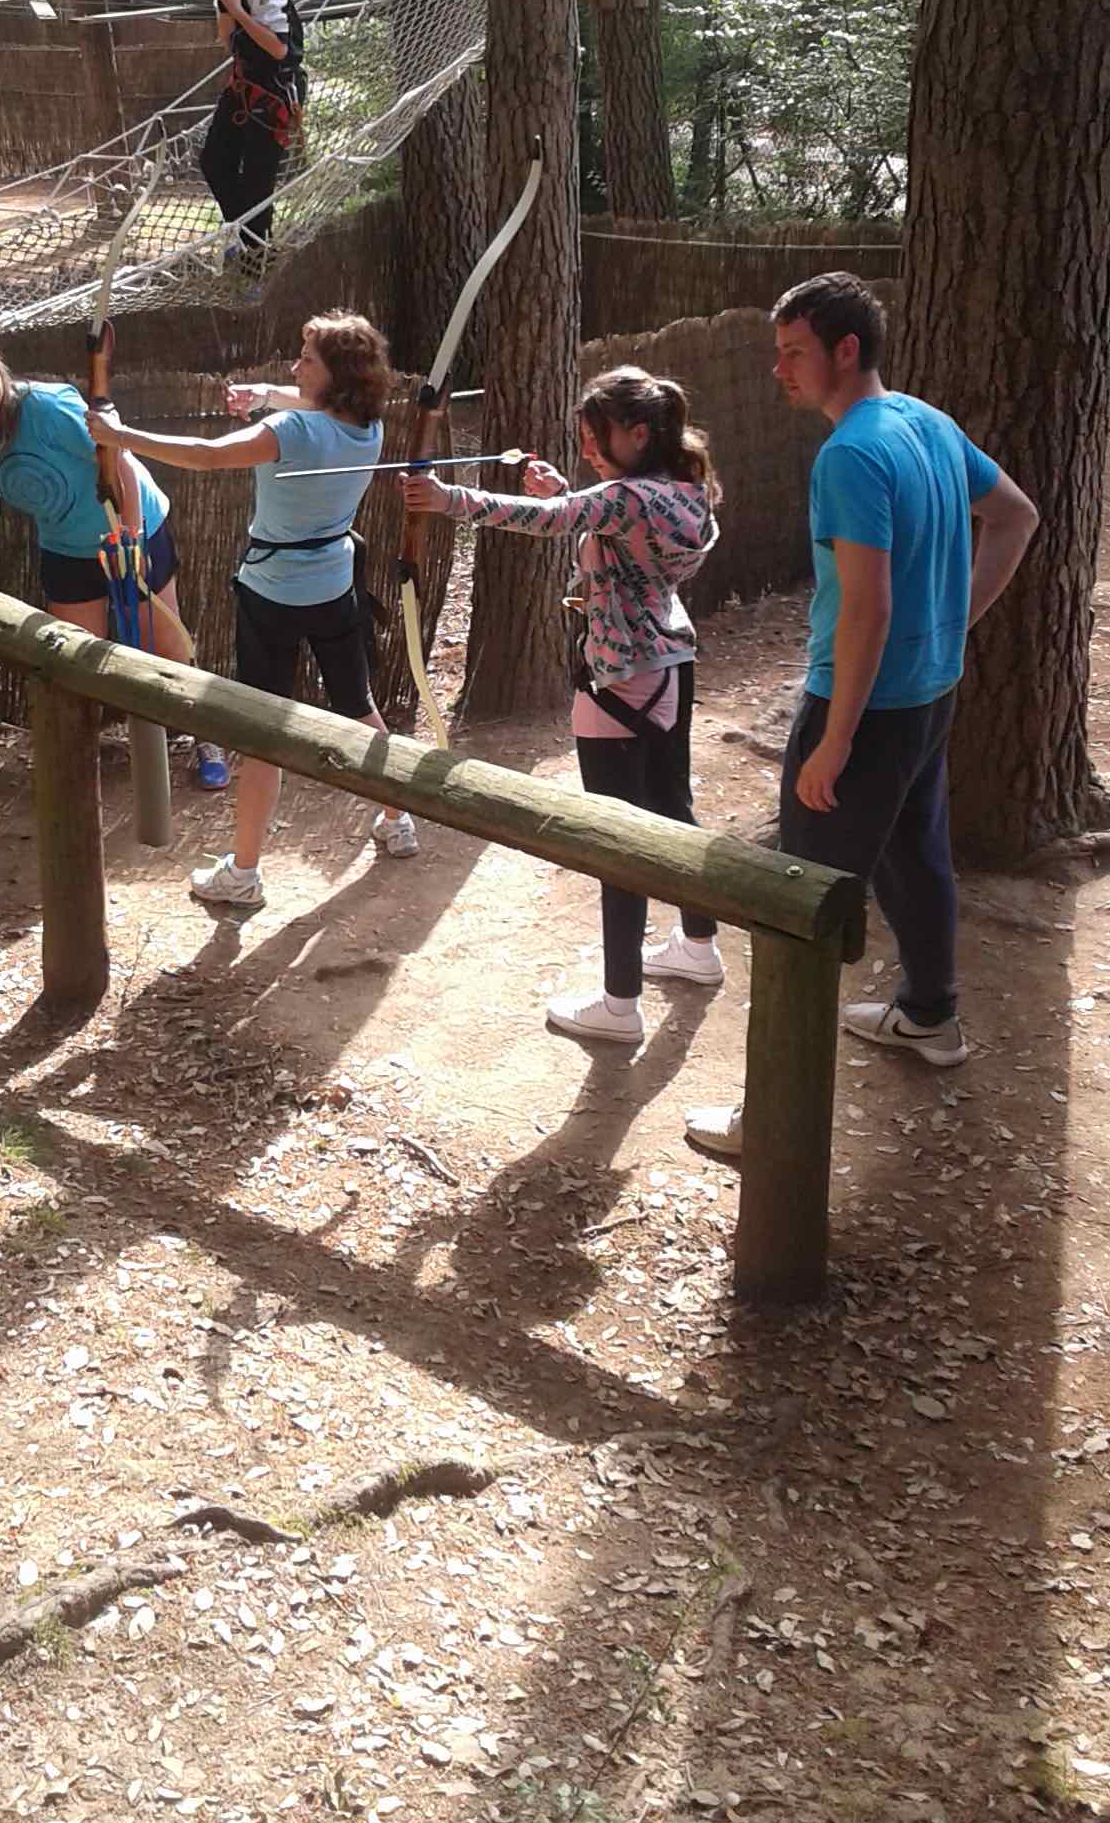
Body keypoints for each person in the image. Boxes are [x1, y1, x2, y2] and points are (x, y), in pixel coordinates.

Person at [683, 274, 1039, 1160]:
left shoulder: (850, 455)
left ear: (846, 351)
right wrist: (953, 624)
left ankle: (773, 1121)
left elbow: (868, 609)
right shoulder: (927, 422)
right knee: (915, 855)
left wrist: (834, 741)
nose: (778, 370)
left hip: (865, 708)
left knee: (797, 902)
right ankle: (929, 1015)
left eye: (793, 352)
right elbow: (1016, 517)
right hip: (928, 695)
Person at [403, 366, 722, 1050]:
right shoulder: (684, 490)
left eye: (598, 438)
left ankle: (619, 1002)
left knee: (614, 841)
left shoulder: (625, 497)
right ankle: (698, 946)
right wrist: (575, 497)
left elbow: (550, 521)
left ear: (640, 434)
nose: (587, 452)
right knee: (671, 809)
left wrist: (447, 498)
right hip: (668, 664)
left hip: (621, 683)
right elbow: (611, 530)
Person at [87, 311, 418, 911]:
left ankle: (243, 873)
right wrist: (265, 393)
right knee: (357, 703)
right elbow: (316, 406)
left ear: (335, 375)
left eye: (306, 360)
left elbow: (208, 455)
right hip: (334, 586)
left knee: (263, 731)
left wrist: (119, 436)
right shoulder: (367, 425)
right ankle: (397, 820)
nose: (295, 367)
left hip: (273, 596)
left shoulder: (293, 431)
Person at [0, 331, 226, 788]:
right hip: (66, 548)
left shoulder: (47, 407)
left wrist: (132, 539)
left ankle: (208, 738)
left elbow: (119, 459)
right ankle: (75, 763)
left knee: (166, 646)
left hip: (133, 526)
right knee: (74, 660)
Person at [181, 0, 304, 253]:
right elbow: (227, 37)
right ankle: (251, 238)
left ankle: (256, 253)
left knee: (256, 184)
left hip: (274, 92)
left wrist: (237, 10)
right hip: (245, 85)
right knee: (214, 162)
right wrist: (228, 13)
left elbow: (280, 48)